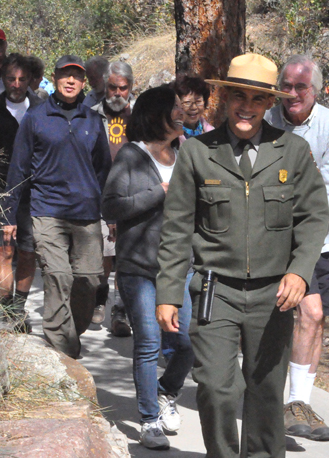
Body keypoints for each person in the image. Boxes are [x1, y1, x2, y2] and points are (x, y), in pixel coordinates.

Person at [155, 53, 329, 458]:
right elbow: (177, 228)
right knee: (216, 389)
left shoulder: (292, 151)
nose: (245, 106)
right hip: (216, 291)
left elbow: (313, 219)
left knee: (266, 392)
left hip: (274, 295)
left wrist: (300, 273)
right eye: (238, 95)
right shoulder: (198, 153)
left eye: (256, 98)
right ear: (225, 98)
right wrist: (167, 292)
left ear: (269, 103)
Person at [102, 85, 194, 450]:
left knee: (186, 344)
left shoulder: (186, 151)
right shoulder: (130, 155)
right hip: (138, 269)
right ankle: (149, 419)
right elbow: (111, 207)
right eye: (173, 107)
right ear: (155, 113)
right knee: (148, 343)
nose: (179, 112)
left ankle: (166, 391)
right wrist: (160, 192)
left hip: (180, 267)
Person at [2, 54, 111, 359]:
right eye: (65, 75)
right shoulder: (35, 118)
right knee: (58, 276)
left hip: (86, 214)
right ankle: (60, 351)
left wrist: (110, 214)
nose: (71, 81)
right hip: (46, 210)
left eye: (76, 76)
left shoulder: (92, 120)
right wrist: (8, 216)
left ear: (84, 82)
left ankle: (69, 338)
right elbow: (18, 169)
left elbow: (103, 169)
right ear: (55, 77)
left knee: (89, 280)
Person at [264, 54, 329, 442]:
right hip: (275, 236)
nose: (292, 93)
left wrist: (303, 235)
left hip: (325, 237)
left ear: (317, 90)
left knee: (315, 318)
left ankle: (298, 403)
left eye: (301, 87)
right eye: (287, 86)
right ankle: (281, 401)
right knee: (303, 313)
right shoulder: (266, 120)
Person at [0, 53, 42, 325]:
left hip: (32, 192)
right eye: (11, 79)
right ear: (3, 79)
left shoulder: (40, 109)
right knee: (4, 250)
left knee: (27, 251)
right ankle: (6, 309)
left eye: (22, 79)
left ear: (31, 80)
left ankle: (19, 306)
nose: (16, 84)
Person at [89, 60, 134, 337]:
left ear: (131, 87)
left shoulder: (141, 114)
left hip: (133, 192)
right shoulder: (91, 113)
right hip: (101, 191)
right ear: (105, 87)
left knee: (127, 255)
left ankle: (121, 312)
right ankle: (100, 297)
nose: (118, 94)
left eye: (123, 88)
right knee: (106, 253)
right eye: (113, 88)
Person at [172, 74, 215, 143]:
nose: (194, 107)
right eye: (187, 102)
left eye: (198, 101)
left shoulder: (212, 133)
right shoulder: (171, 138)